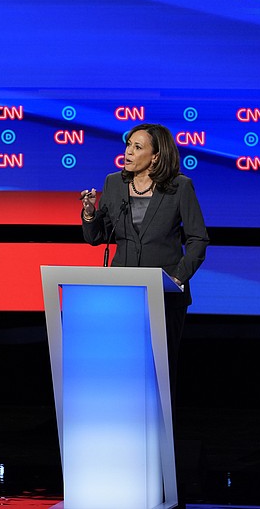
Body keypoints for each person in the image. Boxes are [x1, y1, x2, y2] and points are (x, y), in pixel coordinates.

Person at [80, 123, 209, 400]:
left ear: (156, 156)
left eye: (137, 147)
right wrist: (89, 213)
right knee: (121, 366)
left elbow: (199, 239)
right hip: (123, 293)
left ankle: (161, 437)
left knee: (159, 370)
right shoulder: (113, 183)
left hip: (166, 296)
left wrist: (176, 279)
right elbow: (97, 237)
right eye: (128, 145)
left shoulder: (180, 187)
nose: (128, 152)